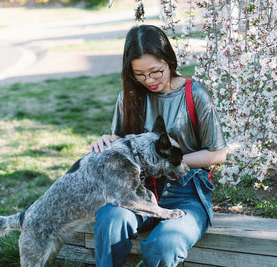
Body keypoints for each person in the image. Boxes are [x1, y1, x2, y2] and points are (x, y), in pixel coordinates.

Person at [89, 24, 227, 267]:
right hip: (137, 190)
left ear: (169, 61)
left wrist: (173, 162)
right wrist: (106, 142)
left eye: (155, 71)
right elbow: (124, 146)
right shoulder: (129, 97)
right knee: (111, 219)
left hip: (187, 191)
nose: (149, 80)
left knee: (165, 245)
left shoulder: (194, 94)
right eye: (139, 75)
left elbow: (218, 153)